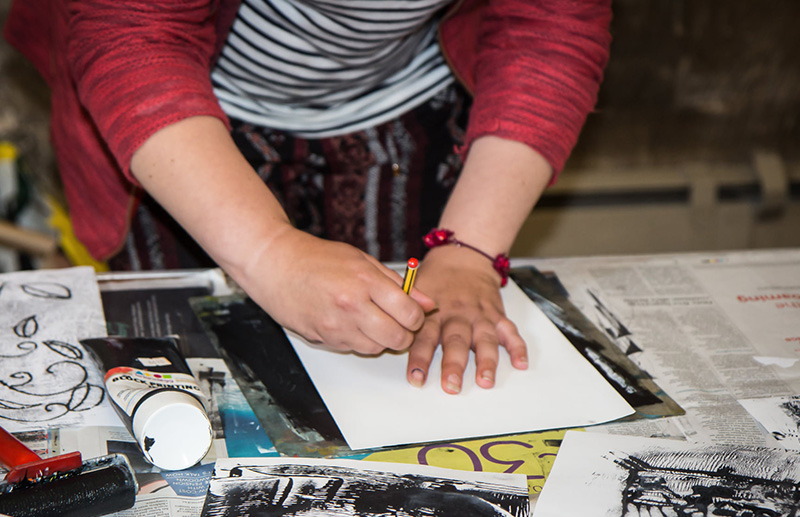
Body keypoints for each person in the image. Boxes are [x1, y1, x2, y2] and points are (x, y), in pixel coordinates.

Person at [4, 0, 612, 394]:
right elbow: (133, 31)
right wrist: (266, 252)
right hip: (184, 121)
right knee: (182, 379)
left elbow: (550, 29)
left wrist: (468, 250)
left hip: (406, 98)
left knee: (376, 353)